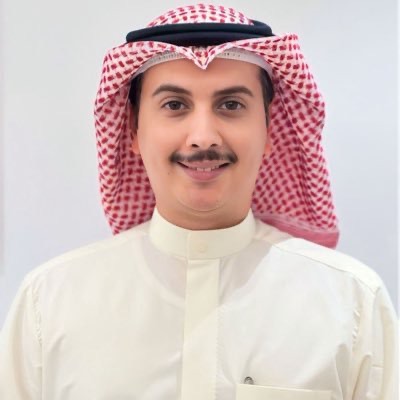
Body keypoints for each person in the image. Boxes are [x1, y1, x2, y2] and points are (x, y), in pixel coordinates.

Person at [0, 4, 397, 399]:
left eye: (231, 105)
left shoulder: (352, 304)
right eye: (175, 105)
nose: (203, 137)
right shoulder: (48, 304)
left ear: (268, 128)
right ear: (134, 130)